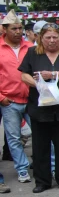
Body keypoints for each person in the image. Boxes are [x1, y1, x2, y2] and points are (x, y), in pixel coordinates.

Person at [18, 22, 59, 192]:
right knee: (40, 146)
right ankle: (42, 181)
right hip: (40, 107)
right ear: (41, 38)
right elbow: (24, 75)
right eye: (48, 38)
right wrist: (38, 83)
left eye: (55, 37)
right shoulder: (32, 53)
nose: (52, 41)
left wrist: (53, 75)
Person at [0, 10, 34, 185]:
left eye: (20, 28)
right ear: (5, 29)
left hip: (31, 99)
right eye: (14, 28)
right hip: (9, 101)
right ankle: (22, 169)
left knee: (40, 134)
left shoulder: (30, 46)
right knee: (13, 138)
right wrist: (1, 97)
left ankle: (46, 165)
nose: (18, 31)